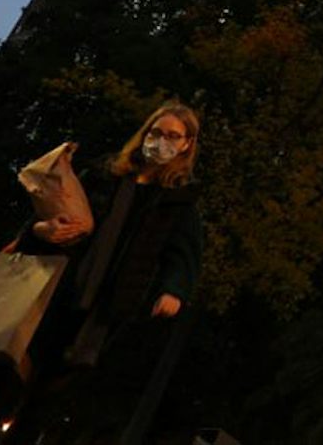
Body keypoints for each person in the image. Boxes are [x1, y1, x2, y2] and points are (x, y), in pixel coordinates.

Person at [10, 102, 205, 444]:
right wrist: (42, 230)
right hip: (59, 292)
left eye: (173, 136)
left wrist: (173, 290)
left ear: (187, 144)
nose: (161, 142)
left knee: (50, 396)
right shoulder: (105, 177)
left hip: (105, 311)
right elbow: (51, 216)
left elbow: (183, 257)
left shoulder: (180, 205)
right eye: (156, 132)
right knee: (15, 372)